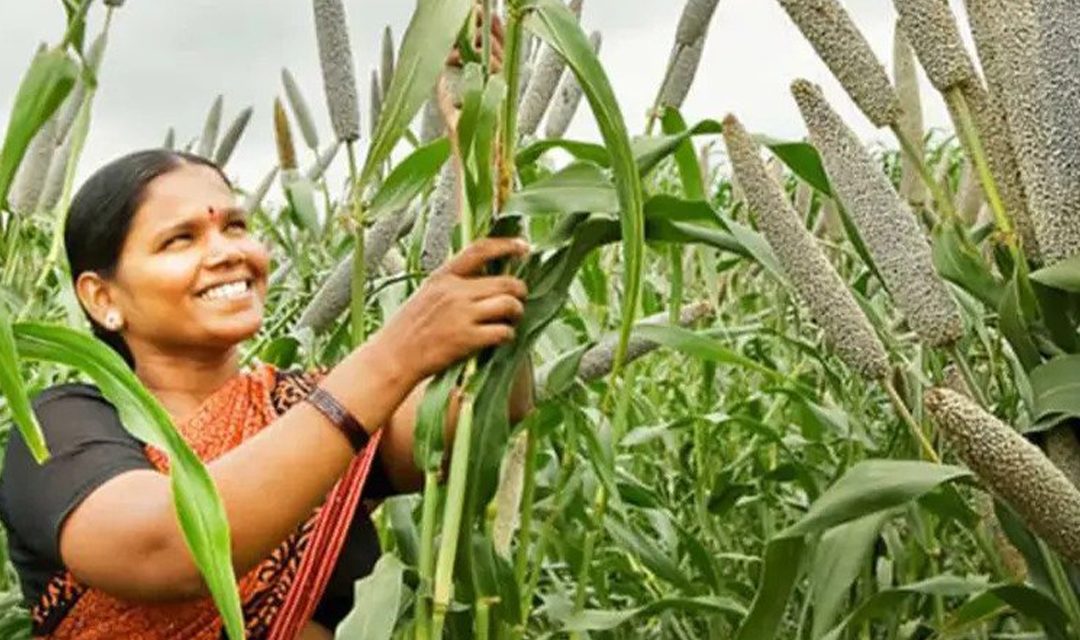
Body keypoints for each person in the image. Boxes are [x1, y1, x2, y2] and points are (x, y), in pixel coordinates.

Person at [0, 6, 520, 639]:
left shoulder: (301, 407)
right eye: (180, 240)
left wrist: (481, 149)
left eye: (236, 225)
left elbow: (497, 397)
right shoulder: (58, 426)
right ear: (101, 297)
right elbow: (167, 548)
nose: (227, 252)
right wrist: (396, 352)